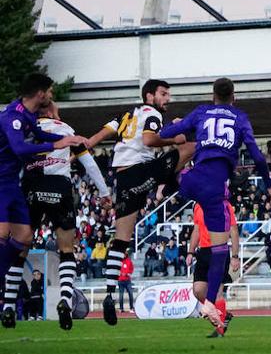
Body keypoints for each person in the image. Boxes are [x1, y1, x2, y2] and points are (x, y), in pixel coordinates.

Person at [158, 78, 271, 328]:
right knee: (219, 252)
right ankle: (211, 302)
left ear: (213, 96)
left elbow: (165, 134)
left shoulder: (201, 111)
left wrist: (175, 127)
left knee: (183, 153)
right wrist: (269, 184)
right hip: (213, 189)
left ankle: (161, 188)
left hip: (190, 179)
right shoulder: (240, 117)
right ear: (234, 97)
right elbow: (258, 157)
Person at [87, 79, 194, 326]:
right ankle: (165, 188)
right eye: (164, 94)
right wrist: (174, 138)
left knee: (122, 238)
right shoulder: (152, 113)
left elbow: (108, 129)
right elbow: (149, 140)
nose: (168, 98)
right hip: (139, 170)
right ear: (150, 96)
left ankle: (110, 294)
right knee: (191, 146)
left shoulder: (129, 113)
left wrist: (89, 143)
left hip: (122, 178)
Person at [0, 74, 86, 329]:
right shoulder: (13, 117)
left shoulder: (27, 114)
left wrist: (65, 140)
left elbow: (38, 133)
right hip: (1, 181)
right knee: (4, 234)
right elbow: (18, 148)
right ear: (40, 93)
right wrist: (59, 142)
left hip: (12, 184)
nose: (51, 95)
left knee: (24, 238)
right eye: (49, 90)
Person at [22, 102, 112, 330]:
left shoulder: (25, 130)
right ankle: (65, 298)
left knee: (20, 247)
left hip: (31, 186)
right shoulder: (66, 130)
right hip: (59, 189)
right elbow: (89, 165)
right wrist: (104, 192)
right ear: (51, 111)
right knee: (66, 249)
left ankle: (9, 307)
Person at [187, 200, 239, 338]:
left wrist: (235, 256)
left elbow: (233, 230)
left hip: (219, 250)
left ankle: (220, 331)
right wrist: (190, 252)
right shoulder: (198, 205)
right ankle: (222, 314)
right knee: (198, 290)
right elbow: (196, 229)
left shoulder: (225, 205)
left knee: (217, 293)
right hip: (203, 251)